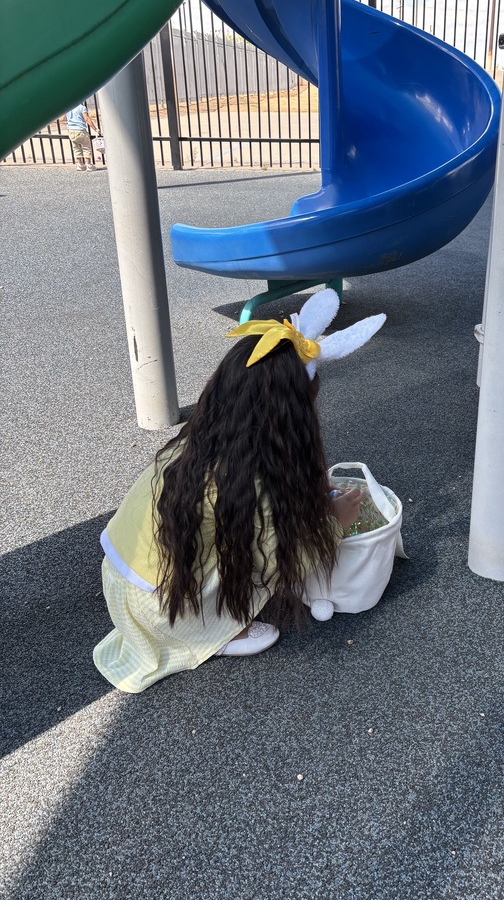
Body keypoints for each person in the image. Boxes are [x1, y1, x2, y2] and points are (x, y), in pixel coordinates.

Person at [93, 290, 385, 693]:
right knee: (255, 564)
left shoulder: (198, 442)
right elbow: (272, 560)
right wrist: (334, 523)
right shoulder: (251, 487)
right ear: (292, 420)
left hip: (120, 580)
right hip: (160, 609)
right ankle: (214, 634)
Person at [63, 101, 100, 171]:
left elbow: (64, 118)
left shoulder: (68, 107)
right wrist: (95, 129)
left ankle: (79, 164)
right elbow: (87, 119)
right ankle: (88, 164)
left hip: (71, 131)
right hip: (80, 130)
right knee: (86, 147)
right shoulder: (82, 108)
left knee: (76, 148)